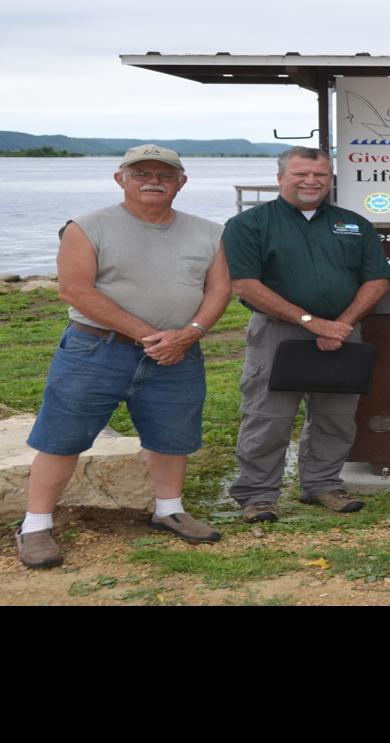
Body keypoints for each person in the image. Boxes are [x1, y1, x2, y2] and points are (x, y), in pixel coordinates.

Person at [15, 144, 231, 569]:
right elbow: (75, 290)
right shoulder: (88, 226)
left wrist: (190, 333)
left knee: (172, 436)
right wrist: (151, 336)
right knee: (61, 437)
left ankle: (169, 511)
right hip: (95, 349)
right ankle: (35, 525)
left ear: (181, 182)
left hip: (178, 353)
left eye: (165, 174)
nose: (154, 180)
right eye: (141, 173)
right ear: (121, 179)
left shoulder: (210, 232)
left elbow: (219, 289)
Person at [222, 146, 390, 523]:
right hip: (277, 333)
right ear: (281, 176)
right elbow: (245, 284)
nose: (311, 181)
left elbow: (377, 279)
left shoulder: (354, 224)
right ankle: (258, 494)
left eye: (320, 175)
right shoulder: (249, 225)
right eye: (301, 174)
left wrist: (342, 323)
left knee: (336, 415)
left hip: (342, 332)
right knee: (268, 417)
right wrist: (309, 322)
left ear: (330, 179)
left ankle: (322, 484)